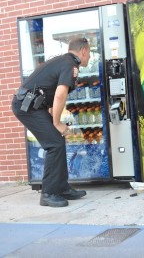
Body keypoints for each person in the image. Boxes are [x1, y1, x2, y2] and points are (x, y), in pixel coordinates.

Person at [12, 37, 90, 207]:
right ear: (83, 51)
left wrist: (54, 120)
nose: (89, 57)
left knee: (57, 141)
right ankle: (48, 193)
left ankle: (61, 187)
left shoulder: (65, 61)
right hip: (27, 107)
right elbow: (60, 94)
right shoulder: (70, 64)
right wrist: (57, 123)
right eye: (89, 53)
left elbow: (49, 91)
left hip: (34, 105)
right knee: (54, 143)